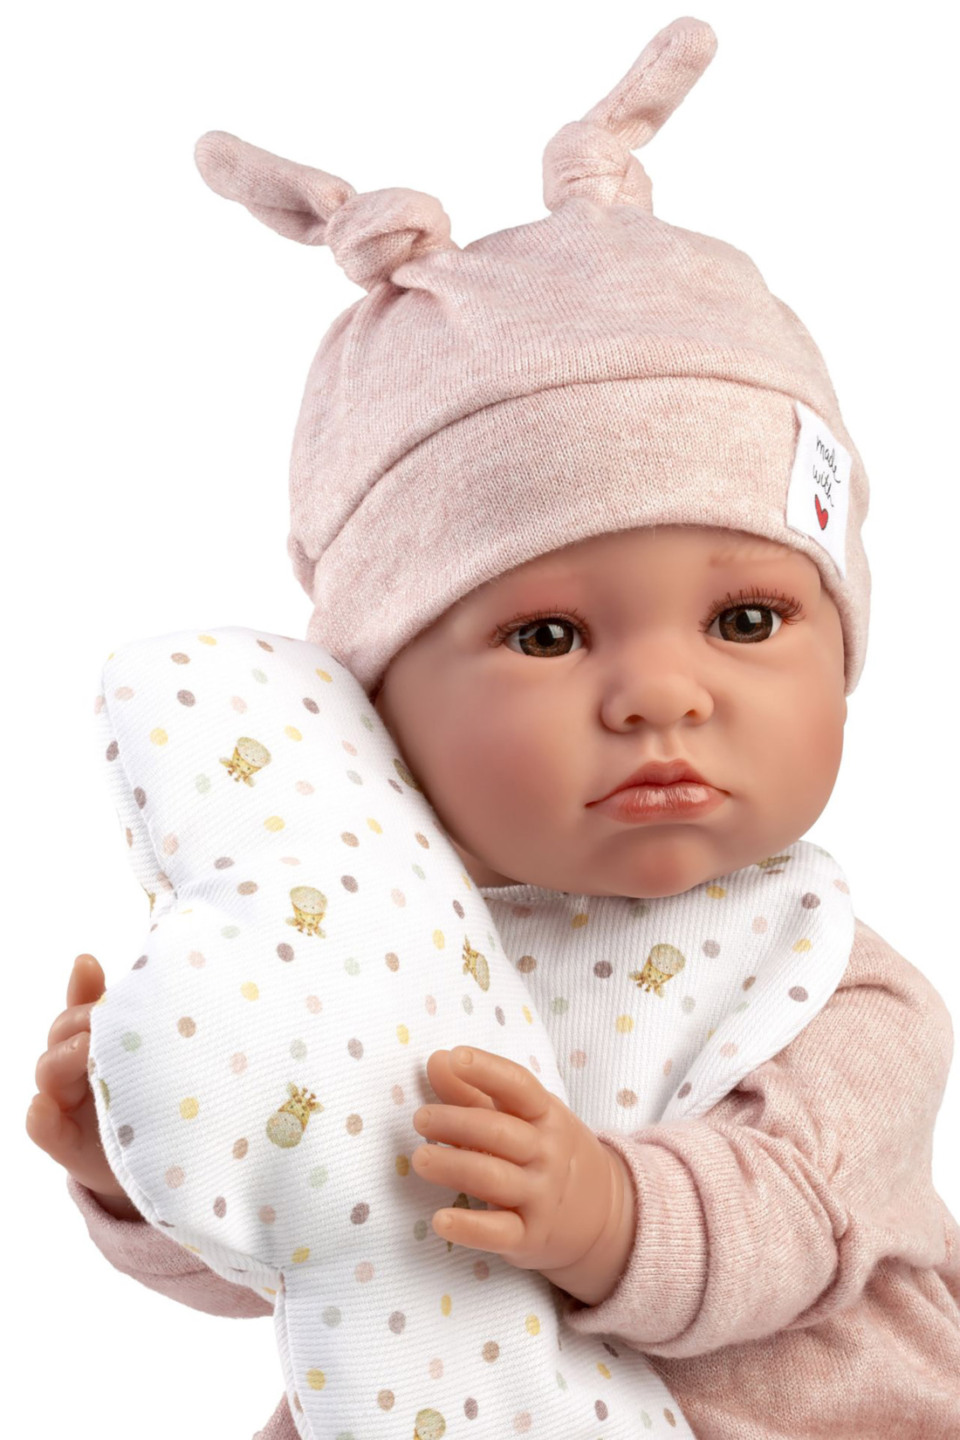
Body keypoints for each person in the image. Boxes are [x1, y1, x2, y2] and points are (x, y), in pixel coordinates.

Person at [27, 16, 960, 1438]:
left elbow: (801, 1214)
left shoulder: (838, 984)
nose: (664, 694)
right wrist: (140, 1161)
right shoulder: (370, 958)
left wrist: (610, 1213)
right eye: (547, 637)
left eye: (746, 618)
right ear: (377, 706)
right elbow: (316, 1237)